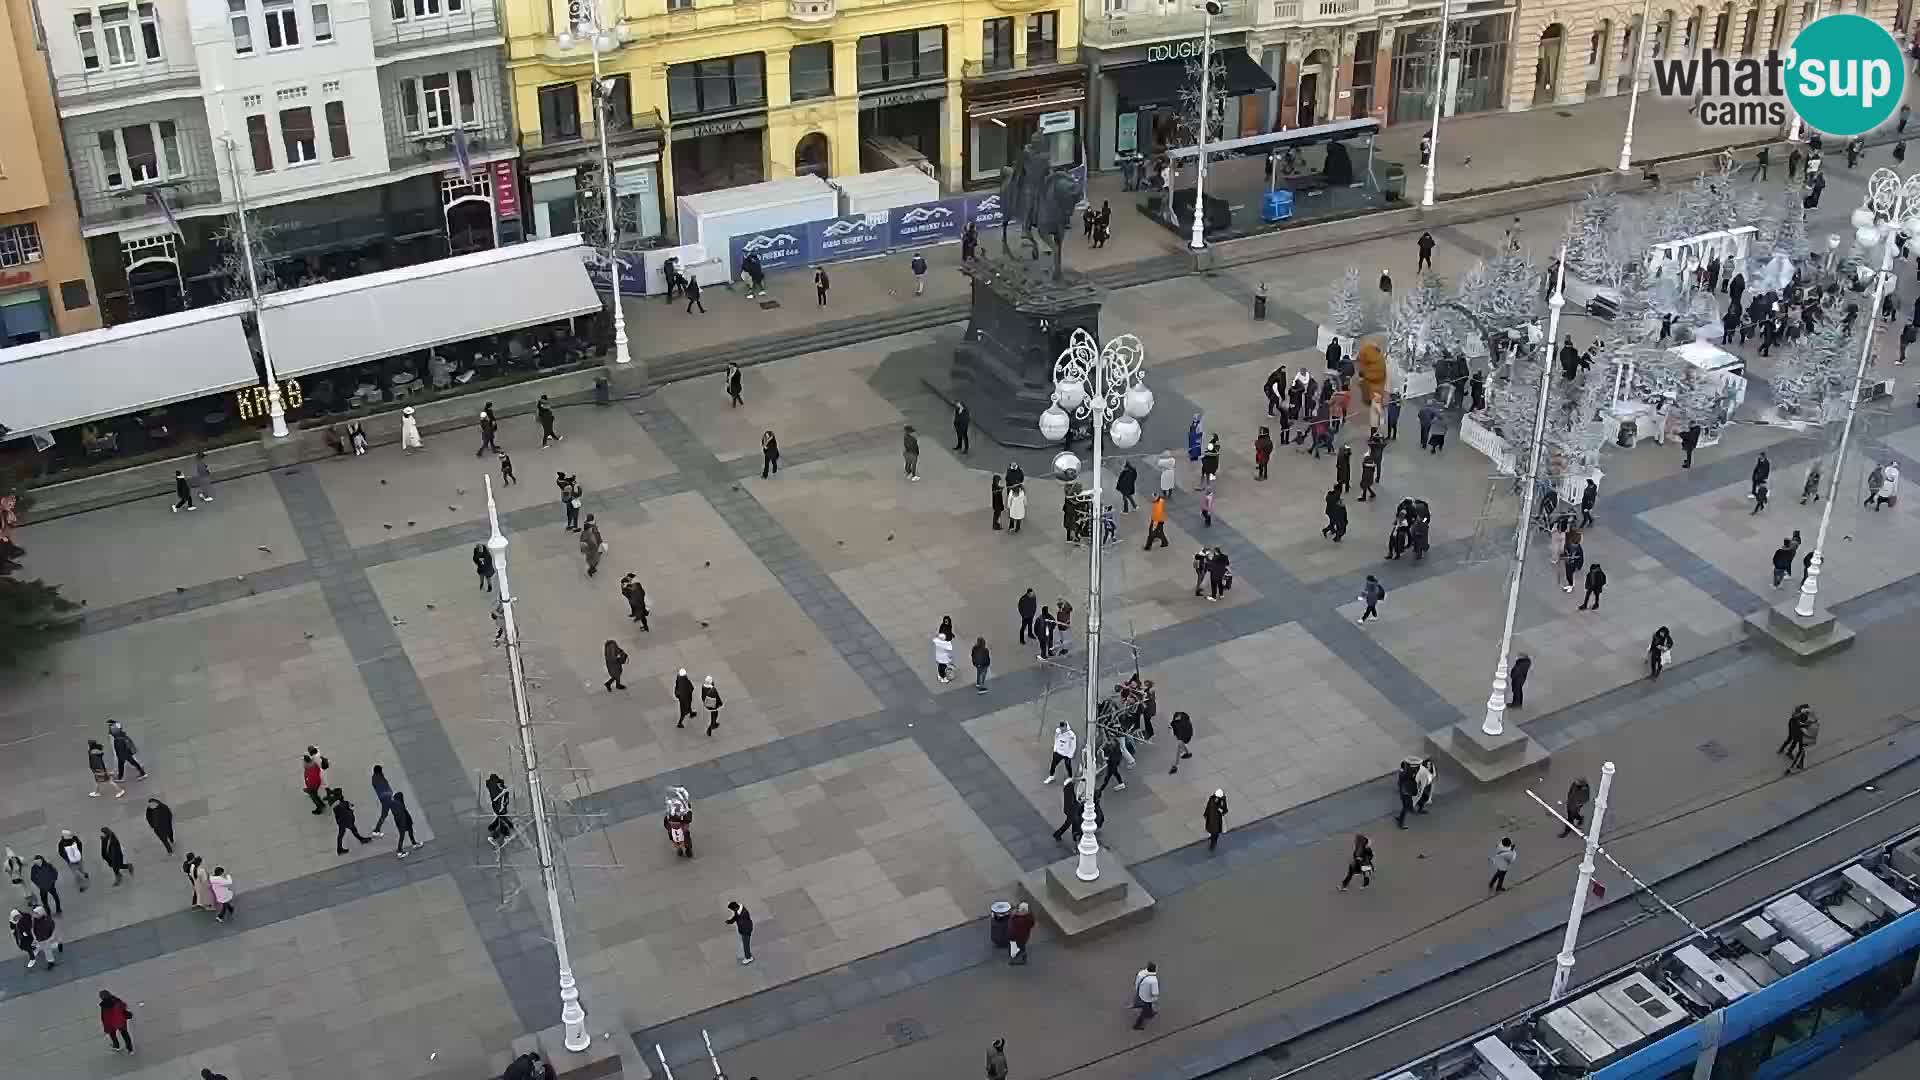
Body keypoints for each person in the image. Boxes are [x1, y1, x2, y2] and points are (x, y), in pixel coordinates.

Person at [331, 790, 372, 855]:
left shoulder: (334, 804)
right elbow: (351, 808)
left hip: (341, 822)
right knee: (352, 829)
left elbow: (338, 813)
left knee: (341, 834)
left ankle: (339, 849)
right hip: (347, 821)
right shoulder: (344, 803)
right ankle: (361, 839)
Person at [486, 773, 514, 846]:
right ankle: (502, 834)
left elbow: (503, 799)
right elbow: (500, 799)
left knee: (500, 819)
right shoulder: (498, 789)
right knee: (502, 820)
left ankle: (495, 835)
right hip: (499, 809)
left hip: (499, 808)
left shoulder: (495, 788)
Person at [1131, 963, 1160, 1029]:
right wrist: (1155, 998)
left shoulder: (1141, 973)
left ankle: (1150, 1013)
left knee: (1148, 1006)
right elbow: (1155, 992)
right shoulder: (1153, 980)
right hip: (1147, 997)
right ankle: (1137, 1025)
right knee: (1144, 1011)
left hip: (1140, 992)